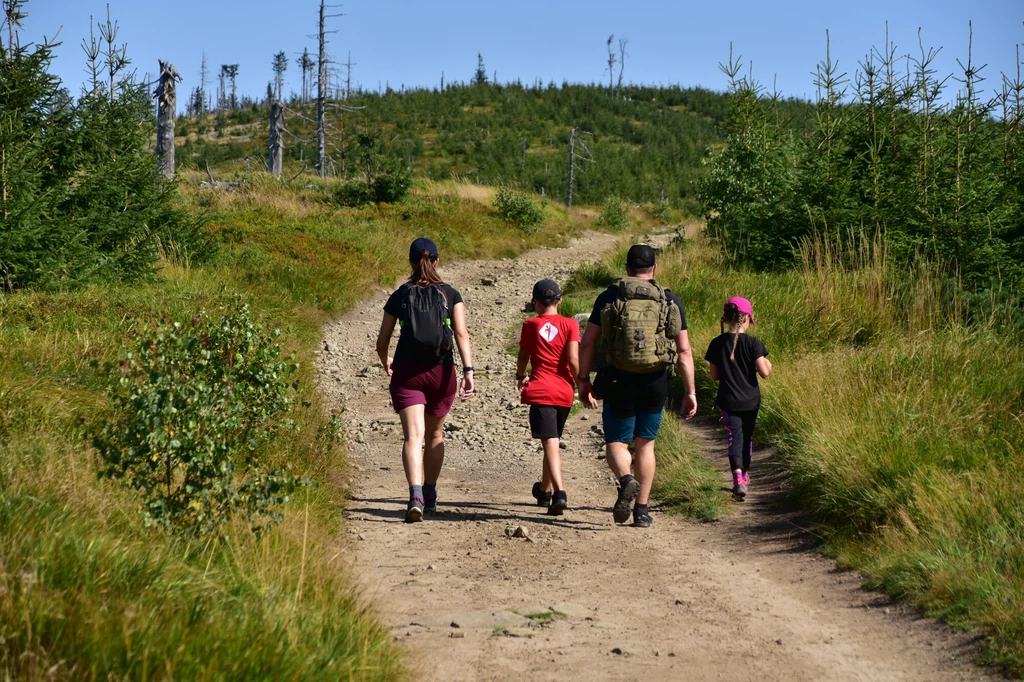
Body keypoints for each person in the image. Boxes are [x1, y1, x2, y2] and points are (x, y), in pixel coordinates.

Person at [577, 244, 698, 528]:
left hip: (619, 377)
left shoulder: (610, 297)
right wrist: (690, 391)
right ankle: (642, 511)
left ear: (627, 269)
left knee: (617, 442)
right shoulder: (669, 300)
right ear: (654, 269)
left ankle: (626, 480)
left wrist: (584, 380)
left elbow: (588, 342)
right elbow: (684, 352)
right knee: (646, 445)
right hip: (655, 380)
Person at [376, 238, 474, 523]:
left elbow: (382, 340)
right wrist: (468, 371)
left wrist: (386, 361)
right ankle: (430, 495)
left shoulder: (400, 295)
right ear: (437, 261)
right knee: (434, 435)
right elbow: (461, 335)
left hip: (407, 373)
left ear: (410, 262)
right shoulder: (450, 294)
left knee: (412, 436)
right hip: (442, 373)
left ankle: (415, 496)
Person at [516, 279, 581, 516]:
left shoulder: (530, 324)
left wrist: (520, 375)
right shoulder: (571, 324)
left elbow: (523, 356)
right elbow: (573, 360)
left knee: (550, 441)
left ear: (536, 302)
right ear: (559, 301)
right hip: (564, 391)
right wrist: (582, 384)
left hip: (541, 390)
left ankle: (560, 493)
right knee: (551, 440)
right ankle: (544, 490)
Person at [704, 297, 771, 501]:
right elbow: (764, 372)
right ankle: (745, 474)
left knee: (735, 438)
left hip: (728, 400)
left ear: (727, 317)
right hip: (751, 400)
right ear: (747, 319)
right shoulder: (754, 344)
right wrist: (768, 363)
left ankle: (737, 477)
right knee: (747, 438)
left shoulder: (717, 343)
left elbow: (714, 376)